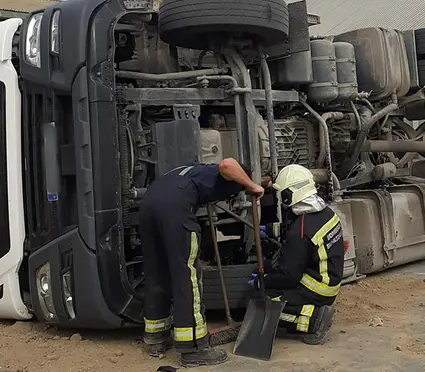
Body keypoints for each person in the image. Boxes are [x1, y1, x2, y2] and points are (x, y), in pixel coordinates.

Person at [139, 158, 266, 368]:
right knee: (186, 275)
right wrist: (252, 186)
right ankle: (193, 348)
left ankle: (156, 338)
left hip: (148, 207)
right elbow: (228, 164)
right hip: (174, 210)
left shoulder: (191, 171)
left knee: (157, 272)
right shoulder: (221, 172)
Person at [250, 164, 343, 345]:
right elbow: (297, 229)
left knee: (265, 299)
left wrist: (262, 281)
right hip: (329, 280)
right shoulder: (325, 213)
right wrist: (269, 229)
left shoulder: (299, 233)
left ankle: (315, 318)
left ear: (289, 195)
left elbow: (289, 276)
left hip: (316, 288)